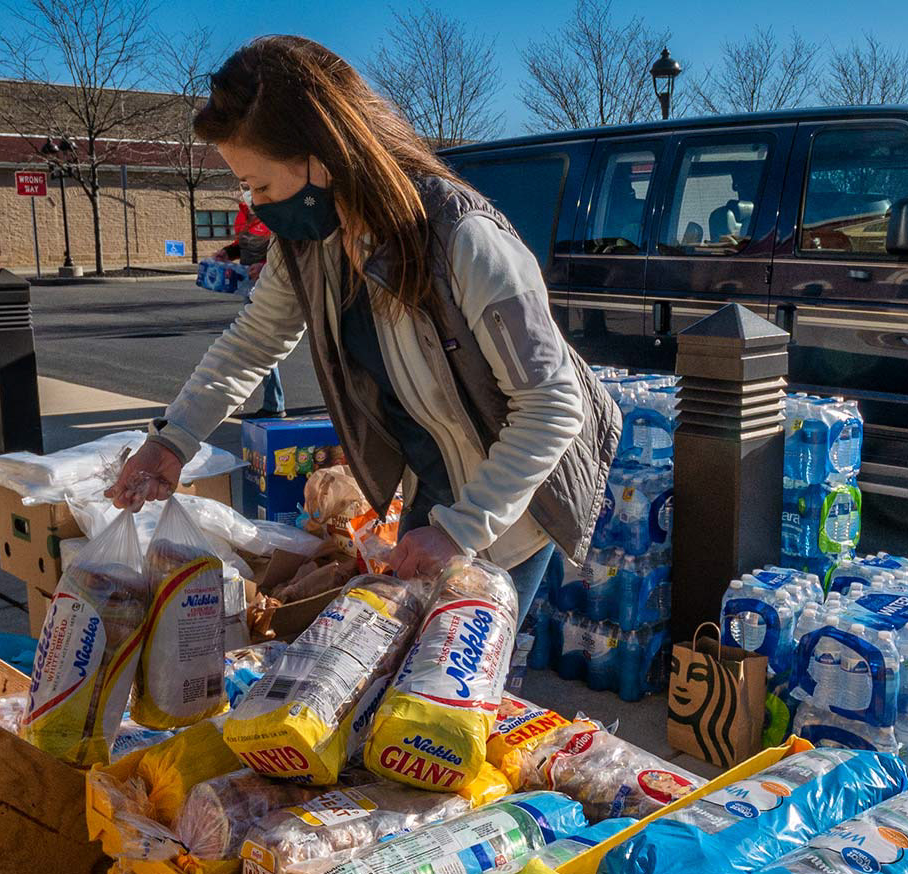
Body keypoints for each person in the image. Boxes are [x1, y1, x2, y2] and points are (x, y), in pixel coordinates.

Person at [109, 35, 618, 623]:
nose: (255, 203)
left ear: (321, 156)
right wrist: (171, 440)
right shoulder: (307, 245)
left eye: (262, 186)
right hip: (435, 486)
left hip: (509, 502)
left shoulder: (462, 238)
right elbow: (252, 343)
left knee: (458, 685)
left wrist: (458, 531)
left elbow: (553, 403)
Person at [212, 189, 282, 414]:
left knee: (264, 342)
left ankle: (275, 403)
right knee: (260, 342)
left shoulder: (274, 214)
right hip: (250, 284)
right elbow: (242, 244)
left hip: (276, 282)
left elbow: (286, 248)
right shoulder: (242, 215)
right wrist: (227, 252)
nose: (246, 191)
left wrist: (265, 264)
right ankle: (273, 403)